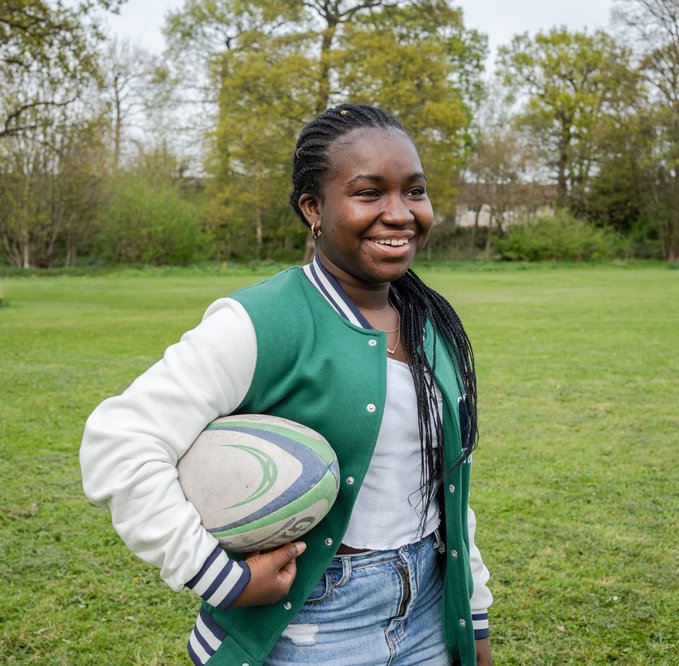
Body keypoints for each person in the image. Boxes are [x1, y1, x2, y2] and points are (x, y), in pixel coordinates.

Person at [81, 103, 493, 666]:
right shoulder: (260, 321)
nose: (399, 213)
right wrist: (214, 574)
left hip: (426, 609)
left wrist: (471, 614)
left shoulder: (430, 322)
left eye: (414, 191)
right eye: (369, 193)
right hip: (311, 625)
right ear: (313, 209)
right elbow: (119, 439)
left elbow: (449, 490)